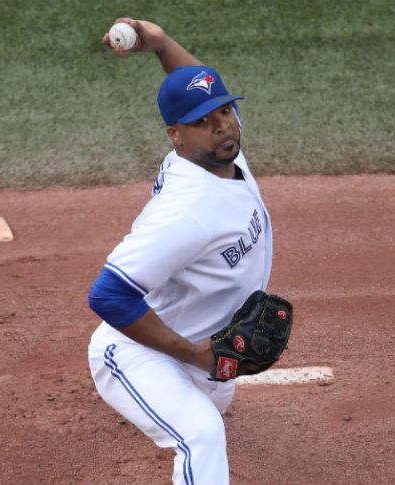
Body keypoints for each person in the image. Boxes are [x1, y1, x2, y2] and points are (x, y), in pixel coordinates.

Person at [87, 17, 273, 485]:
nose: (222, 127)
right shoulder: (185, 212)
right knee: (202, 435)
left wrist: (162, 44)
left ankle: (193, 384)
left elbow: (203, 87)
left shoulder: (222, 152)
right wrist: (194, 354)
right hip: (137, 352)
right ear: (176, 135)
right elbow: (108, 295)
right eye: (203, 122)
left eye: (225, 112)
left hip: (203, 351)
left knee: (215, 401)